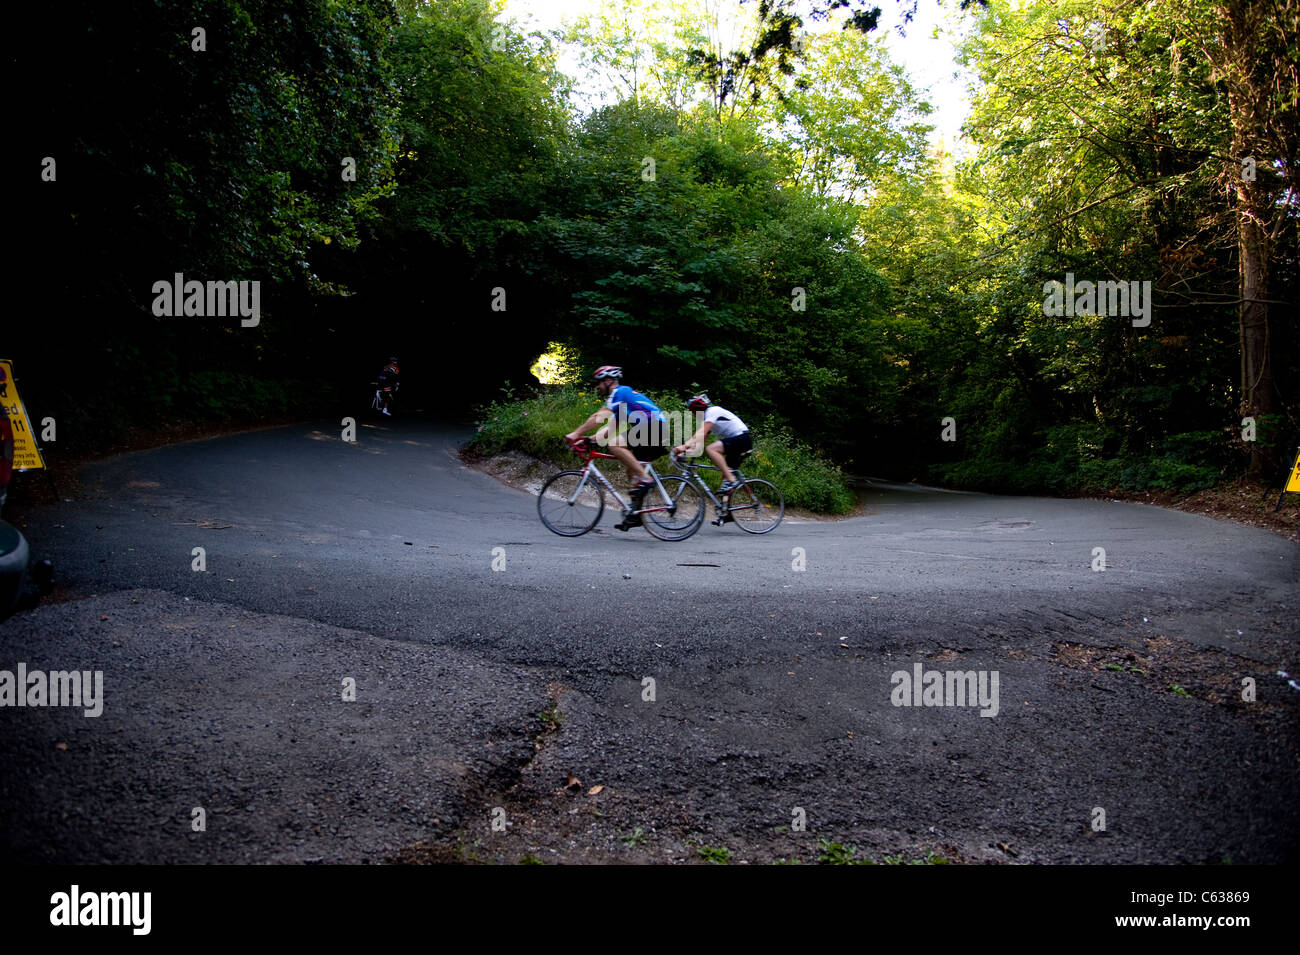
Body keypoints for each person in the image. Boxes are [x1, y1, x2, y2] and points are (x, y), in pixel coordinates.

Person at [564, 366, 670, 530]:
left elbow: (599, 417)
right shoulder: (622, 403)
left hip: (655, 428)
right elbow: (611, 428)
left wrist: (575, 433)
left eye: (599, 383)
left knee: (615, 445)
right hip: (652, 430)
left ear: (608, 381)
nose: (597, 387)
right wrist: (589, 439)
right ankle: (637, 515)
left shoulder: (620, 392)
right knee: (631, 470)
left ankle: (646, 479)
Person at [674, 393, 752, 493]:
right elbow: (699, 442)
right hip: (737, 441)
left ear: (696, 410)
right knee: (726, 476)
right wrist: (685, 453)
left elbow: (701, 433)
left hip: (742, 438)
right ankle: (726, 506)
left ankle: (732, 481)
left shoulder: (713, 411)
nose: (693, 414)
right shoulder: (706, 420)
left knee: (711, 449)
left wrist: (683, 447)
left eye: (692, 412)